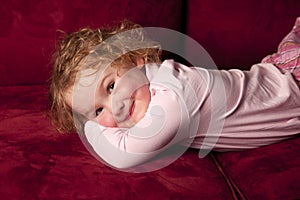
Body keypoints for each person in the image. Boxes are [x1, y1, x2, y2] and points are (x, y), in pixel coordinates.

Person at [49, 19, 300, 170]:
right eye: (98, 110)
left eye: (111, 86)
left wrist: (90, 126)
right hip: (274, 72)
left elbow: (124, 154)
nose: (115, 108)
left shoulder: (175, 97)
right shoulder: (150, 85)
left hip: (293, 86)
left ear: (137, 61)